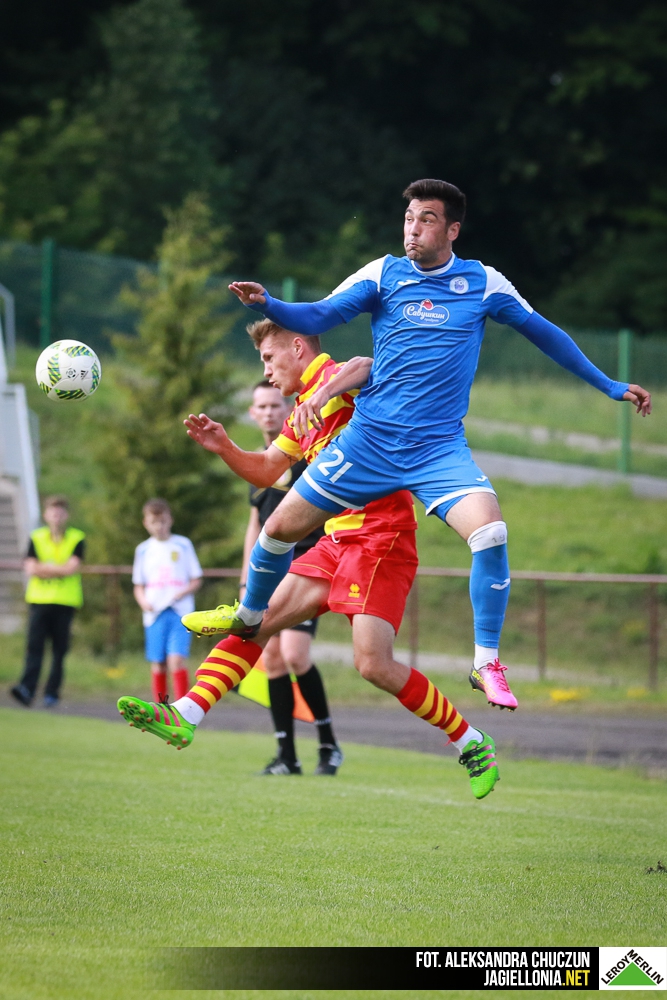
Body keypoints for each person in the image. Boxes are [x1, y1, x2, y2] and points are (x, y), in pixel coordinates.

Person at [202, 177, 652, 711]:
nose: (413, 229)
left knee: (490, 531)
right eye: (409, 218)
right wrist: (271, 303)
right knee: (277, 529)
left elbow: (545, 333)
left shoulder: (484, 284)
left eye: (427, 219)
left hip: (438, 451)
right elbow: (321, 314)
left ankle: (486, 662)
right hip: (369, 442)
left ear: (453, 229)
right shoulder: (383, 274)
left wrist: (609, 384)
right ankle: (250, 615)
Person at [117, 322, 500, 800]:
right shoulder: (302, 409)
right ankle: (186, 714)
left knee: (373, 665)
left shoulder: (338, 382)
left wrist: (325, 393)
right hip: (335, 542)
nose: (266, 370)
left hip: (381, 540)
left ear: (298, 348)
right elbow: (267, 470)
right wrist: (225, 448)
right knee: (257, 624)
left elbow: (368, 365)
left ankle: (472, 742)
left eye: (269, 357)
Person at [242, 378, 341, 775]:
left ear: (287, 410)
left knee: (296, 655)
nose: (268, 412)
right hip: (269, 570)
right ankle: (287, 756)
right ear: (253, 413)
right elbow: (255, 524)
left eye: (274, 405)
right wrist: (246, 579)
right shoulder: (258, 465)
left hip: (307, 563)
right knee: (273, 658)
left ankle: (329, 745)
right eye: (262, 406)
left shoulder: (305, 453)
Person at [10, 495, 85, 707]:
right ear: (46, 515)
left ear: (66, 515)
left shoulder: (76, 538)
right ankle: (27, 688)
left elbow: (71, 568)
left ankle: (52, 692)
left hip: (65, 601)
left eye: (60, 513)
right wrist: (57, 569)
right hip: (39, 600)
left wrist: (45, 568)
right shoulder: (37, 537)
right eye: (53, 513)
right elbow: (31, 568)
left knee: (59, 650)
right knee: (34, 647)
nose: (56, 517)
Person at [132, 498, 203, 704]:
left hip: (180, 612)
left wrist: (183, 592)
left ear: (170, 520)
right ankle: (160, 707)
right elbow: (138, 584)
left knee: (176, 660)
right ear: (146, 523)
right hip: (155, 613)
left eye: (162, 521)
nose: (159, 526)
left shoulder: (182, 545)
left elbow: (196, 579)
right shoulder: (143, 549)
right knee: (158, 663)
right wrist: (143, 602)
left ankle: (183, 707)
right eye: (154, 522)